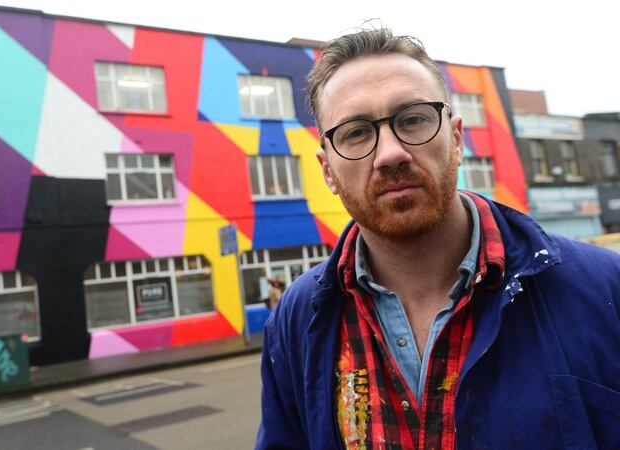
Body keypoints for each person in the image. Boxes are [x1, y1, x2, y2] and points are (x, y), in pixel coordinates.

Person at [256, 27, 620, 450]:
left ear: (458, 138)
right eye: (356, 132)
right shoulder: (296, 320)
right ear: (327, 171)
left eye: (413, 119)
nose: (391, 153)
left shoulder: (603, 291)